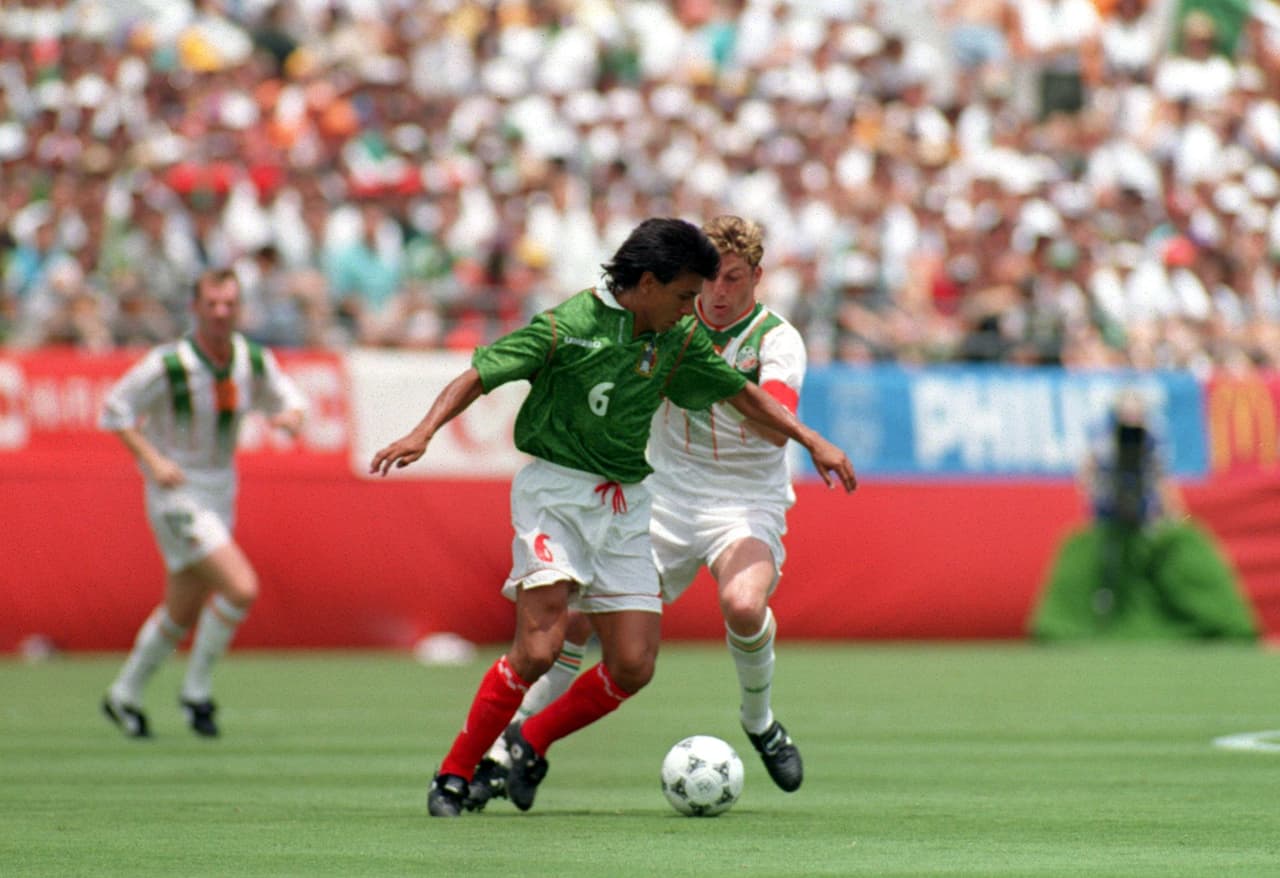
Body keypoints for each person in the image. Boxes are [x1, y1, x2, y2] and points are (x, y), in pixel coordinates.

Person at [369, 217, 857, 817]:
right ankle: (464, 769)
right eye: (688, 294)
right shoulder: (575, 325)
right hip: (576, 494)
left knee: (640, 659)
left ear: (756, 277)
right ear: (650, 283)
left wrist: (812, 440)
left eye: (723, 283)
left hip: (660, 500)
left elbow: (744, 394)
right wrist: (422, 432)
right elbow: (481, 370)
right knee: (547, 641)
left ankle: (538, 739)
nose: (699, 305)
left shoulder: (718, 339)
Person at [468, 215, 812, 809]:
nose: (718, 293)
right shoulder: (667, 321)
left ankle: (759, 722)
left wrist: (709, 378)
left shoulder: (777, 339)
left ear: (757, 277)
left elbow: (775, 424)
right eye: (710, 281)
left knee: (744, 602)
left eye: (734, 279)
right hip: (665, 499)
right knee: (573, 621)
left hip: (745, 503)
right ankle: (507, 752)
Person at [99, 269, 307, 738]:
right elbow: (115, 408)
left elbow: (289, 399)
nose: (219, 312)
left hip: (219, 490)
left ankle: (124, 694)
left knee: (182, 608)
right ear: (194, 308)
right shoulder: (169, 363)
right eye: (211, 304)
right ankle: (196, 690)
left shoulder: (250, 360)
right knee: (240, 587)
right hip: (177, 493)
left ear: (239, 308)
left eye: (228, 304)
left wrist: (291, 417)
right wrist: (152, 461)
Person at [1029, 389, 1257, 641]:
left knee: (1151, 556)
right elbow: (1089, 473)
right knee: (1108, 562)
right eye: (1127, 412)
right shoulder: (1105, 439)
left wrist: (1175, 515)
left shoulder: (1150, 440)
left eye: (1136, 412)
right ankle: (1105, 612)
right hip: (1110, 518)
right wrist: (1095, 498)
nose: (1132, 418)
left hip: (1143, 518)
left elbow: (1161, 480)